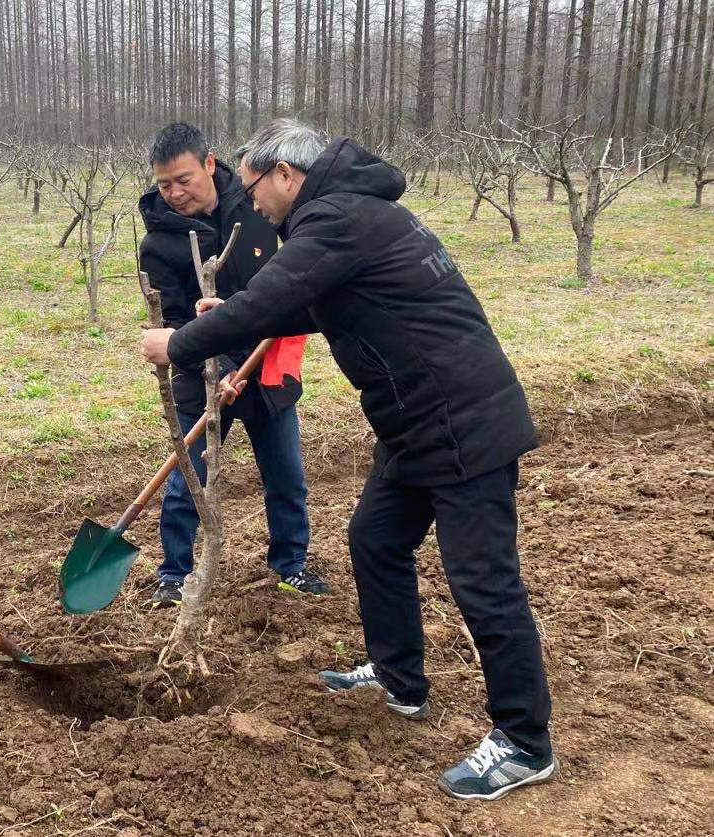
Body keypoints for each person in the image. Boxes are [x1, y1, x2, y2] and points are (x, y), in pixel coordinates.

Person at [139, 118, 557, 801]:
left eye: (255, 187)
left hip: (461, 420)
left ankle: (524, 741)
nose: (253, 202)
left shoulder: (336, 217)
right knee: (375, 539)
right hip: (415, 422)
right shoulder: (349, 214)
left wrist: (180, 341)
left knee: (484, 583)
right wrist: (236, 309)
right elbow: (313, 302)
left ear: (285, 174)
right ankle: (399, 677)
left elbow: (279, 293)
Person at [139, 122, 329, 608]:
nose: (175, 193)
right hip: (199, 372)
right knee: (187, 480)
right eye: (164, 184)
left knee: (285, 475)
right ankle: (174, 573)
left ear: (209, 163)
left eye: (183, 179)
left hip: (266, 364)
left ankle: (290, 564)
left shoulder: (258, 205)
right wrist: (218, 366)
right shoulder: (159, 243)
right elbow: (175, 322)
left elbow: (289, 279)